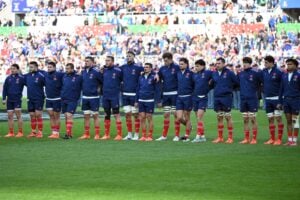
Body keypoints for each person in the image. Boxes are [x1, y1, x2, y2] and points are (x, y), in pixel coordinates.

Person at [211, 57, 239, 144]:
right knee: (219, 117)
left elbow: (237, 82)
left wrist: (229, 89)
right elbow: (212, 84)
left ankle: (230, 137)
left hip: (226, 97)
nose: (217, 65)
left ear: (223, 64)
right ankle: (220, 137)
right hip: (217, 97)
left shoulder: (229, 73)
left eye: (219, 63)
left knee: (227, 117)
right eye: (216, 63)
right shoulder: (214, 73)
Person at [155, 52, 181, 141]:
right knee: (166, 114)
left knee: (175, 114)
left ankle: (177, 135)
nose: (165, 62)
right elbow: (158, 76)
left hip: (175, 93)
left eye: (166, 60)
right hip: (165, 94)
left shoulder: (177, 67)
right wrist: (157, 75)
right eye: (164, 60)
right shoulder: (162, 68)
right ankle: (164, 135)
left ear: (170, 59)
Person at [238, 57, 262, 144]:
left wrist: (257, 93)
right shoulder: (240, 74)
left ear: (250, 64)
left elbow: (261, 83)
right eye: (243, 62)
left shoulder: (255, 73)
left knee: (253, 118)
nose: (244, 64)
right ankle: (246, 138)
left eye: (246, 63)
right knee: (245, 119)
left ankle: (254, 138)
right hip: (243, 99)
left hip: (252, 98)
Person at [121, 51, 144, 140]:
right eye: (127, 56)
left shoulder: (138, 68)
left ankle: (137, 134)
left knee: (135, 115)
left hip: (134, 94)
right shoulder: (123, 67)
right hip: (125, 94)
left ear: (134, 57)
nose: (128, 57)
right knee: (127, 115)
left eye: (130, 56)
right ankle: (129, 134)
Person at [135, 63, 161, 141]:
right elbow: (137, 89)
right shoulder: (141, 77)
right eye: (145, 67)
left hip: (150, 100)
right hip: (141, 100)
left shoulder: (154, 77)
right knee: (142, 118)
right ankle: (143, 135)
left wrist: (158, 100)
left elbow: (157, 89)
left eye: (147, 67)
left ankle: (150, 136)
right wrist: (136, 100)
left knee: (149, 117)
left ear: (150, 68)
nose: (145, 68)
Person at [262, 55, 284, 145]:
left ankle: (279, 139)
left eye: (266, 62)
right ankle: (272, 138)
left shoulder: (279, 72)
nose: (265, 64)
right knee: (270, 119)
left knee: (278, 118)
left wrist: (280, 100)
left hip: (277, 99)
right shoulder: (264, 72)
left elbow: (283, 86)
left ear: (271, 63)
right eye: (264, 62)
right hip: (267, 99)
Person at [79, 56, 102, 140]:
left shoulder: (96, 72)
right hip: (85, 97)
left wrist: (99, 89)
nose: (86, 62)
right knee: (86, 116)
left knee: (95, 116)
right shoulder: (83, 72)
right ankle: (86, 134)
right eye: (85, 61)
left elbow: (102, 82)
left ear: (92, 62)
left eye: (88, 61)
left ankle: (97, 134)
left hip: (94, 97)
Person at [100, 56, 123, 140]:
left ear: (112, 61)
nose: (106, 62)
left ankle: (119, 135)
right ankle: (107, 134)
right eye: (106, 60)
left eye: (108, 60)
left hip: (114, 96)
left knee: (116, 114)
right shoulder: (104, 71)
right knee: (106, 114)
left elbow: (122, 81)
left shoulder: (118, 71)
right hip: (105, 96)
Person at [278, 58, 300, 146]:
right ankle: (290, 140)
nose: (288, 66)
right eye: (287, 64)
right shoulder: (284, 75)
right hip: (286, 100)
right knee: (288, 120)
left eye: (290, 64)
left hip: (296, 100)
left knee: (295, 121)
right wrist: (280, 102)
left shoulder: (298, 75)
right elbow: (281, 89)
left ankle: (294, 140)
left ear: (295, 65)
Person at [191, 59, 212, 143]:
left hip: (203, 97)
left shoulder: (208, 73)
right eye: (195, 66)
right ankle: (202, 136)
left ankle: (198, 136)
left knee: (199, 116)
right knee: (198, 118)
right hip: (195, 97)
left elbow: (215, 79)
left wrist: (209, 88)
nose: (196, 67)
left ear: (203, 66)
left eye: (197, 66)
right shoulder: (195, 75)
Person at [2, 64, 25, 138]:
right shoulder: (8, 78)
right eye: (11, 69)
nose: (12, 70)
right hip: (9, 100)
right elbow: (4, 89)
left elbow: (30, 85)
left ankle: (20, 132)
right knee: (9, 116)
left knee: (18, 115)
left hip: (17, 99)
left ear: (18, 69)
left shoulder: (21, 78)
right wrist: (3, 98)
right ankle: (11, 132)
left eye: (14, 69)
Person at [61, 63, 82, 139]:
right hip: (64, 99)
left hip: (72, 99)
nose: (66, 70)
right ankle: (69, 133)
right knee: (66, 116)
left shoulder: (78, 77)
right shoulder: (64, 76)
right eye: (66, 69)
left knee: (69, 115)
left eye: (68, 69)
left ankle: (68, 134)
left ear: (72, 69)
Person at [25, 61, 46, 138]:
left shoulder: (41, 75)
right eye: (29, 67)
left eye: (32, 67)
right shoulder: (27, 76)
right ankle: (33, 132)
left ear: (36, 67)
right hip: (30, 98)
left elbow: (47, 84)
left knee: (38, 115)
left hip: (39, 98)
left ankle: (40, 132)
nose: (30, 68)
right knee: (32, 115)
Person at [176, 57, 194, 142]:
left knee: (187, 117)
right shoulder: (178, 73)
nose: (180, 65)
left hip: (188, 96)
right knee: (179, 117)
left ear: (186, 64)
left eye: (182, 64)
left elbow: (194, 84)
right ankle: (189, 126)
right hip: (179, 97)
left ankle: (187, 136)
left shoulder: (191, 73)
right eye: (179, 64)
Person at [44, 61, 64, 139]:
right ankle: (53, 132)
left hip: (57, 99)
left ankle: (57, 133)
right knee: (51, 116)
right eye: (48, 67)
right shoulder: (45, 75)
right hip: (48, 99)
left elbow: (67, 76)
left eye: (50, 67)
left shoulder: (59, 74)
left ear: (54, 68)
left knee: (56, 116)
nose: (49, 68)